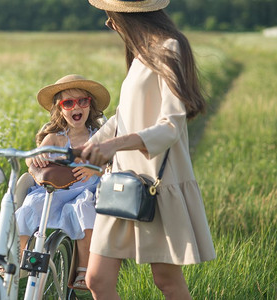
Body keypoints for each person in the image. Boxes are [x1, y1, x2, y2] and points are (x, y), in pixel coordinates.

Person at [79, 1, 217, 299]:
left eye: (111, 16)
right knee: (97, 280)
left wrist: (114, 145)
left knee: (166, 280)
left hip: (155, 185)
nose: (108, 24)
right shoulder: (140, 55)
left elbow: (171, 126)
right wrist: (90, 145)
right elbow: (123, 116)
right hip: (120, 185)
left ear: (130, 17)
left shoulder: (170, 49)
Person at [15, 74, 110, 290]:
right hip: (56, 192)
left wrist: (95, 170)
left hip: (87, 189)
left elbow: (111, 166)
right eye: (68, 103)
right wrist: (35, 159)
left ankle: (84, 269)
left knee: (83, 210)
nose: (76, 107)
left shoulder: (98, 136)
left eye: (82, 101)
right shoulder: (57, 137)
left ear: (89, 105)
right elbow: (32, 159)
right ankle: (20, 258)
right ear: (60, 109)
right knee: (30, 206)